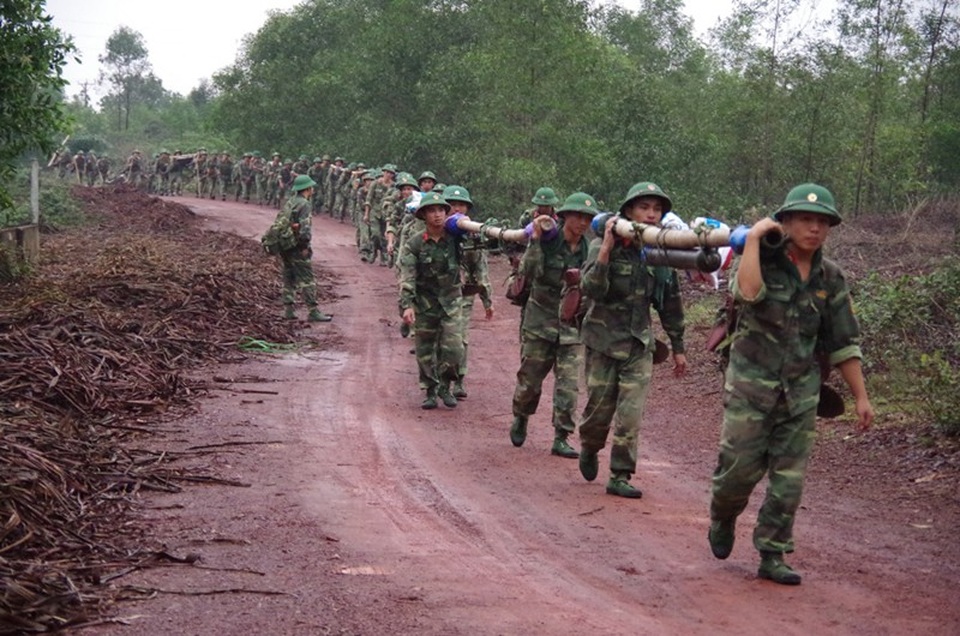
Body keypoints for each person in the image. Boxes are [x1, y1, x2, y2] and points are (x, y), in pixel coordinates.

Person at [707, 183, 873, 585]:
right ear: (786, 221)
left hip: (800, 394)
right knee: (738, 473)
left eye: (822, 222)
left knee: (788, 482)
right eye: (805, 220)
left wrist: (862, 398)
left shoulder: (830, 278)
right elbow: (748, 294)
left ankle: (773, 552)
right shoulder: (758, 259)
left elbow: (843, 342)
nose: (814, 229)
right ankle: (723, 514)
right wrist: (755, 242)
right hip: (750, 389)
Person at [577, 181, 688, 498]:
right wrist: (607, 249)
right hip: (602, 341)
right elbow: (591, 289)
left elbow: (670, 303)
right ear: (628, 211)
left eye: (657, 209)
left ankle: (620, 474)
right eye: (644, 208)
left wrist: (678, 348)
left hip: (639, 345)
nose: (651, 215)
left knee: (630, 415)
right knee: (598, 413)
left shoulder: (658, 251)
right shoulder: (602, 244)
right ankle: (589, 446)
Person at [509, 192, 596, 459]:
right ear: (564, 217)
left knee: (569, 384)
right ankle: (521, 416)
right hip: (540, 320)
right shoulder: (549, 239)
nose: (582, 223)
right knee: (530, 381)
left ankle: (561, 436)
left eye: (587, 218)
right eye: (577, 216)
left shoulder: (587, 248)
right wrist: (535, 240)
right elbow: (530, 272)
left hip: (571, 326)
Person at [398, 191, 465, 410]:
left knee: (454, 348)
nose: (437, 215)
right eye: (432, 211)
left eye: (440, 210)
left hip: (451, 302)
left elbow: (483, 244)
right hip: (425, 303)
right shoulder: (415, 244)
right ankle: (430, 390)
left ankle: (446, 385)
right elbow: (408, 275)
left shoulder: (456, 239)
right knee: (425, 349)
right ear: (423, 215)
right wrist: (407, 305)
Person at [442, 185, 494, 398]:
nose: (456, 209)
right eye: (452, 205)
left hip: (463, 294)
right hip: (438, 295)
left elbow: (480, 269)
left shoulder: (473, 236)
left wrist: (487, 300)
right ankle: (439, 382)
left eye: (461, 205)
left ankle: (459, 380)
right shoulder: (433, 231)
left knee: (460, 338)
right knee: (440, 338)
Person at [278, 175, 334, 323]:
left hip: (285, 245)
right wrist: (304, 246)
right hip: (297, 245)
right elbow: (305, 228)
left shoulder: (290, 202)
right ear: (307, 189)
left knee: (289, 277)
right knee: (307, 278)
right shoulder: (305, 204)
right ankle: (313, 311)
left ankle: (288, 310)